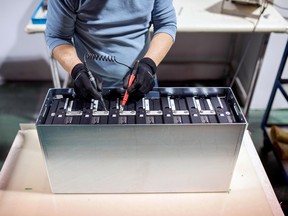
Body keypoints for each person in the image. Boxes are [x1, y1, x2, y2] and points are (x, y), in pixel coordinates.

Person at [45, 0, 177, 102]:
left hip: (142, 80)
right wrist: (77, 70)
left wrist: (149, 65)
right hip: (90, 86)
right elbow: (58, 36)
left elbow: (166, 24)